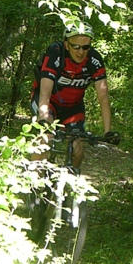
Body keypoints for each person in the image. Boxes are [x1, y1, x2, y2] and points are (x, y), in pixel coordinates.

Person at [31, 21, 119, 169]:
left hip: (73, 108)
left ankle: (71, 180)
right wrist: (44, 120)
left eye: (85, 47)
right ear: (67, 45)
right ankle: (34, 178)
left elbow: (103, 97)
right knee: (44, 139)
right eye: (76, 47)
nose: (81, 52)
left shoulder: (94, 60)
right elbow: (45, 93)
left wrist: (108, 131)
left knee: (78, 150)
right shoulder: (55, 53)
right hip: (49, 103)